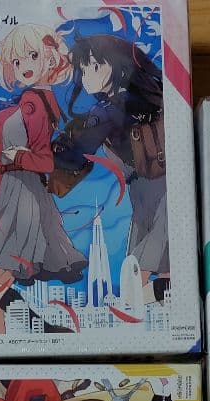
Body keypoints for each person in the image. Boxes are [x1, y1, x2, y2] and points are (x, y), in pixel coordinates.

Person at [0, 24, 87, 334]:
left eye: (32, 56)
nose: (24, 66)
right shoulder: (30, 101)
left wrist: (19, 157)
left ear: (50, 57)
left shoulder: (33, 103)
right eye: (17, 60)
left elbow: (43, 161)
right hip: (11, 196)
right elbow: (3, 168)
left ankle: (44, 329)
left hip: (20, 202)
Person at [54, 34, 169, 303]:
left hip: (153, 196)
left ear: (119, 66)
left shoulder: (107, 111)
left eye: (95, 66)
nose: (87, 76)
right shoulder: (152, 98)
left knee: (134, 286)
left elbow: (72, 157)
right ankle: (173, 294)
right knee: (157, 272)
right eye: (83, 69)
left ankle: (173, 294)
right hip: (150, 195)